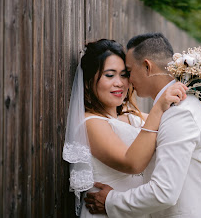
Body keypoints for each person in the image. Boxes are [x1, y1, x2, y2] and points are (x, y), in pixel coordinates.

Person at [84, 33, 201, 218]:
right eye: (111, 75)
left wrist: (111, 201)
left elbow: (163, 192)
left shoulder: (179, 112)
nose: (126, 82)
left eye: (127, 73)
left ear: (147, 66)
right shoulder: (170, 110)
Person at [62, 39, 187, 217]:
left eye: (124, 74)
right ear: (89, 82)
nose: (120, 83)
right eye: (110, 75)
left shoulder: (134, 117)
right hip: (104, 212)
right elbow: (132, 163)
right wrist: (158, 107)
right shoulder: (89, 123)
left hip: (135, 209)